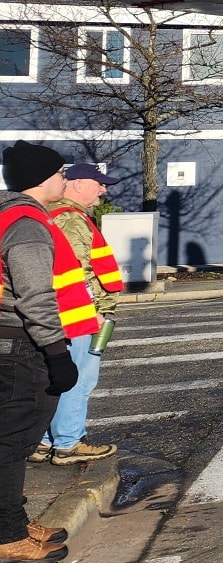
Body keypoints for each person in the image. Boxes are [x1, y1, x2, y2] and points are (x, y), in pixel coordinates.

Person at [0, 142, 97, 563]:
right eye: (60, 173)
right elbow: (35, 296)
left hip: (14, 340)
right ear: (42, 179)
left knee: (12, 440)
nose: (65, 179)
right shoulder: (26, 225)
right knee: (13, 443)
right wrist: (57, 353)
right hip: (21, 343)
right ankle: (8, 537)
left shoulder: (14, 214)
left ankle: (14, 524)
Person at [33, 163, 124, 468]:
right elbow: (76, 272)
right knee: (79, 378)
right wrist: (94, 311)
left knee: (54, 377)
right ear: (78, 184)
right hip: (76, 314)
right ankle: (69, 443)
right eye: (98, 183)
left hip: (57, 313)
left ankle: (45, 440)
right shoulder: (71, 220)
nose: (104, 189)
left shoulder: (52, 215)